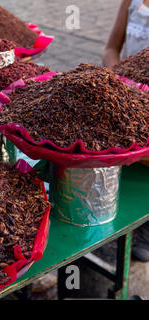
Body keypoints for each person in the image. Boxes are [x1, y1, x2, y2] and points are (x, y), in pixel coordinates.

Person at [103, 0, 149, 262]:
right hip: (125, 98)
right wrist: (117, 79)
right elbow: (111, 48)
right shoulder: (131, 2)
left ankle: (145, 226)